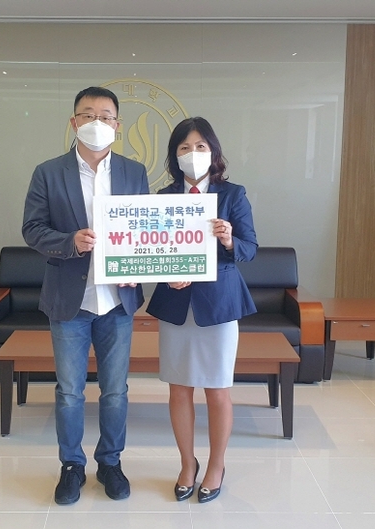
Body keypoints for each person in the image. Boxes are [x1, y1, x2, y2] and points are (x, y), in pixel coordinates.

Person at [22, 87, 149, 505]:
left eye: (106, 116)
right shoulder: (48, 172)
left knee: (115, 391)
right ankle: (72, 466)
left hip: (117, 301)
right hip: (69, 301)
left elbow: (144, 231)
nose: (98, 122)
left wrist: (137, 268)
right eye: (88, 114)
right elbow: (32, 229)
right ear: (74, 122)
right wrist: (70, 242)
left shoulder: (133, 172)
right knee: (69, 392)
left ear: (118, 125)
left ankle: (110, 462)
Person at [146, 117, 257, 503]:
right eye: (184, 148)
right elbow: (153, 251)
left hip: (218, 304)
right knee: (179, 390)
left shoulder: (233, 195)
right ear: (174, 156)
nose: (192, 154)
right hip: (176, 304)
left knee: (217, 390)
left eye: (200, 147)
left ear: (213, 152)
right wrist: (167, 273)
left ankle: (216, 465)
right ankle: (186, 463)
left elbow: (250, 248)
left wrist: (229, 240)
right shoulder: (162, 198)